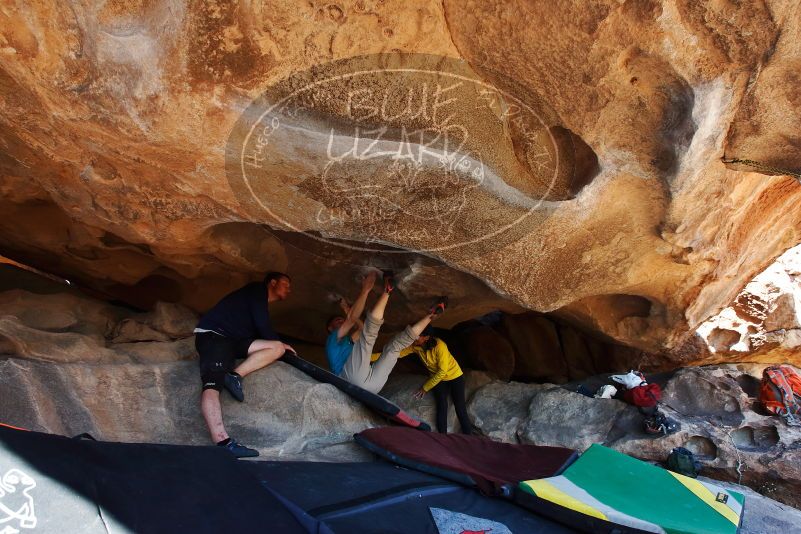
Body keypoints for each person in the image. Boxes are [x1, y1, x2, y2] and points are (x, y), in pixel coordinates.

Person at [194, 272, 294, 458]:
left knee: (277, 348)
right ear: (272, 282)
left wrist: (281, 344)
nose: (289, 289)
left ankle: (234, 376)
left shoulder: (257, 301)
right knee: (212, 385)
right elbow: (263, 325)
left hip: (234, 340)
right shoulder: (257, 290)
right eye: (285, 284)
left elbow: (261, 330)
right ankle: (223, 441)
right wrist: (276, 338)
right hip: (215, 335)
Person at [326, 270, 447, 394]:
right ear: (330, 328)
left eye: (341, 319)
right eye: (337, 320)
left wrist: (349, 314)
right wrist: (365, 290)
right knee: (369, 336)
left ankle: (432, 314)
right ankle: (386, 292)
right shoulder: (332, 340)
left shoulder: (348, 341)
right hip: (349, 379)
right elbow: (351, 321)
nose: (341, 321)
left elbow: (361, 328)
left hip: (373, 387)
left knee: (395, 347)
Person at [402, 325, 475, 434]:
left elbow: (442, 371)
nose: (414, 338)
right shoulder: (415, 346)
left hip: (454, 375)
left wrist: (425, 388)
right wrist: (371, 357)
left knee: (460, 408)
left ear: (426, 337)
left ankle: (470, 438)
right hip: (438, 378)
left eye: (417, 336)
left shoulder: (440, 346)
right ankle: (442, 437)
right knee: (442, 405)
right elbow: (396, 353)